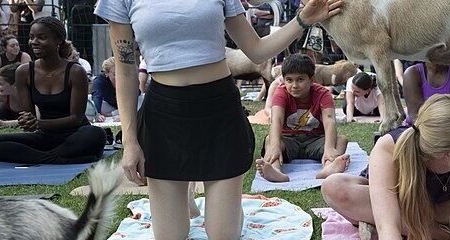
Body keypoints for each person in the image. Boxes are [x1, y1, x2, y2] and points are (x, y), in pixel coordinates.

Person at [96, 0, 342, 238]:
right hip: (164, 115)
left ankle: (221, 206)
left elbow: (256, 50)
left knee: (223, 235)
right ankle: (186, 193)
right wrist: (130, 142)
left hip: (219, 110)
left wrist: (302, 20)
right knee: (171, 235)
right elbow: (125, 69)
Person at [321, 94, 450, 239]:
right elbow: (388, 228)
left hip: (430, 207)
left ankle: (420, 227)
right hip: (395, 201)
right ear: (448, 153)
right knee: (334, 187)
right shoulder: (390, 148)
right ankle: (443, 231)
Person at [0, 17, 106, 164]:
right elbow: (30, 117)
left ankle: (47, 157)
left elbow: (76, 118)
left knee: (95, 134)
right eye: (32, 37)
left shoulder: (75, 72)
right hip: (44, 136)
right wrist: (27, 121)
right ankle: (55, 158)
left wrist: (39, 123)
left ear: (58, 40)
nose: (34, 42)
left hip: (75, 134)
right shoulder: (24, 72)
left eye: (42, 37)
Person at [257, 54, 350, 182]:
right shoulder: (281, 92)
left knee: (341, 140)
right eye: (289, 80)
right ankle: (275, 169)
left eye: (300, 79)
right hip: (289, 140)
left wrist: (329, 148)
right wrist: (274, 146)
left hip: (315, 140)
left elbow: (330, 121)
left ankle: (329, 167)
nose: (294, 85)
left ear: (311, 80)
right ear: (284, 80)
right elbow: (276, 120)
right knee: (270, 141)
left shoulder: (323, 93)